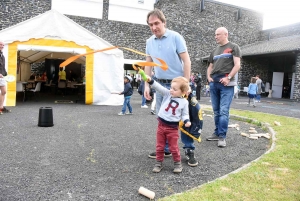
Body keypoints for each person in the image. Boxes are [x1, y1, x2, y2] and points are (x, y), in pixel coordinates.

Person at [143, 9, 196, 166]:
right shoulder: (149, 42)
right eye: (151, 25)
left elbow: (187, 61)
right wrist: (147, 84)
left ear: (164, 22)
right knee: (164, 119)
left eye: (157, 23)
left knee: (185, 118)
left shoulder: (176, 37)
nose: (154, 27)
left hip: (178, 84)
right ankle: (166, 149)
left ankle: (189, 149)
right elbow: (148, 64)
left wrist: (185, 85)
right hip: (160, 84)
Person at [144, 75, 191, 173]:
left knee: (173, 147)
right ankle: (158, 163)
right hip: (161, 126)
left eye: (174, 89)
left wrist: (187, 121)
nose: (171, 90)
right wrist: (150, 81)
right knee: (160, 146)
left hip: (173, 129)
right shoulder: (167, 94)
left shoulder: (184, 102)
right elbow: (158, 87)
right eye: (171, 88)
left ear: (182, 92)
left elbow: (185, 115)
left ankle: (177, 164)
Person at [206, 27, 242, 147]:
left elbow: (237, 65)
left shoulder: (234, 47)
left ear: (226, 34)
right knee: (216, 111)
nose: (215, 37)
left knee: (223, 111)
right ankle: (216, 133)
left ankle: (222, 136)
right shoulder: (215, 51)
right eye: (215, 34)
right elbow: (210, 66)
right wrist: (208, 77)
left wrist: (228, 78)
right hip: (214, 82)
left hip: (226, 83)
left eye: (218, 34)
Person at [0, 41, 10, 114]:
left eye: (3, 45)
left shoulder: (2, 55)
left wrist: (6, 75)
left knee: (4, 91)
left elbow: (3, 67)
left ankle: (1, 107)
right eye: (1, 44)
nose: (2, 46)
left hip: (2, 76)